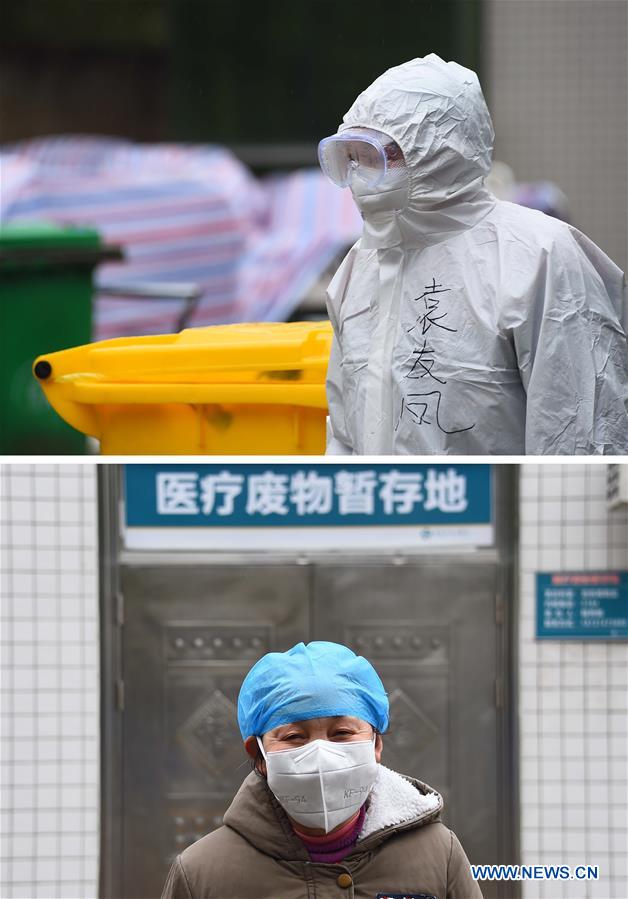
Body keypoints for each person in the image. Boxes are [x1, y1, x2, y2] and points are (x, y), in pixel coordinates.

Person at [319, 54, 628, 455]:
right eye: (354, 157)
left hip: (497, 516)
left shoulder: (539, 256)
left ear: (443, 150)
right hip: (380, 511)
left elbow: (577, 441)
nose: (361, 174)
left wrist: (532, 517)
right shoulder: (361, 265)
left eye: (381, 155)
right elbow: (345, 434)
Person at [161, 641, 483, 898]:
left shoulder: (437, 855)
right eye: (294, 737)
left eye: (342, 733)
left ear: (376, 745)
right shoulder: (202, 875)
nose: (320, 753)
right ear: (259, 756)